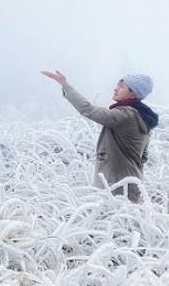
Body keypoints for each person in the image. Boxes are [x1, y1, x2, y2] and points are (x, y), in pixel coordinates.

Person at [41, 70, 159, 202]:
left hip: (115, 187)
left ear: (133, 93)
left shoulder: (125, 116)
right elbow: (143, 157)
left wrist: (64, 84)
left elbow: (88, 110)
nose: (116, 88)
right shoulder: (143, 119)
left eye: (121, 86)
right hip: (130, 184)